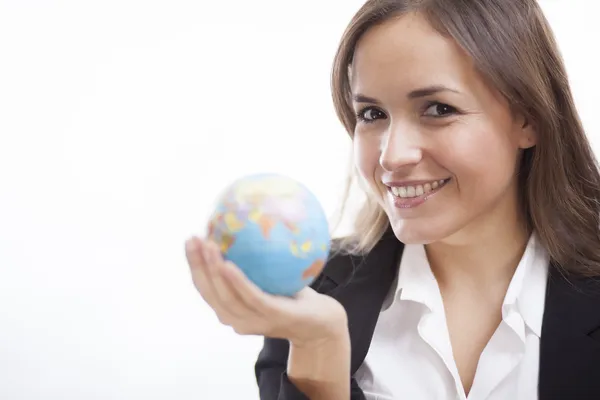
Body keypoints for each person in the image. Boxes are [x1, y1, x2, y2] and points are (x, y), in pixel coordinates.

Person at [184, 0, 600, 399]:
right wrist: (320, 350)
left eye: (438, 109)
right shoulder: (309, 301)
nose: (391, 155)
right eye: (371, 114)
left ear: (527, 118)